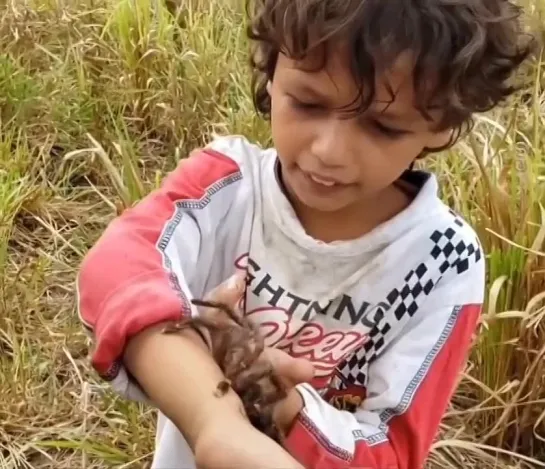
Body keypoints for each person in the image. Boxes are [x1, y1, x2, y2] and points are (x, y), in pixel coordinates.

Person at [76, 0, 533, 468]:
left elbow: (394, 451)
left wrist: (283, 404)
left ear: (443, 125)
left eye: (383, 127)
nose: (329, 151)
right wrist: (216, 420)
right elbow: (117, 270)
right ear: (272, 71)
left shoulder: (442, 263)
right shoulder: (227, 189)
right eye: (308, 103)